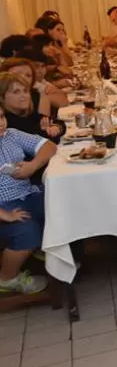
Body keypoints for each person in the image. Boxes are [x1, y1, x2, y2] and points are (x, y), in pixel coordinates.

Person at [0, 112, 57, 294]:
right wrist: (4, 215)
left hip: (26, 193)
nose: (1, 123)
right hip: (3, 205)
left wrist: (33, 165)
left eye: (1, 116)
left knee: (57, 204)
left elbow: (49, 146)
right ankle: (7, 279)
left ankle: (44, 249)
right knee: (26, 229)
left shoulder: (11, 134)